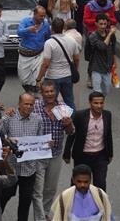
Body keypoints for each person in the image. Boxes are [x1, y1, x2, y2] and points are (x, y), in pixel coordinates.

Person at [33, 80, 75, 216]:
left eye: (52, 91)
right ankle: (39, 217)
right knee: (38, 189)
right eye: (47, 91)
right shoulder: (35, 107)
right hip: (38, 154)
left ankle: (45, 212)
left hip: (55, 154)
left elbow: (70, 131)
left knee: (50, 188)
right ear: (42, 93)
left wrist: (68, 124)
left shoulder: (63, 108)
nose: (50, 94)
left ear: (56, 92)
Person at [0, 93, 44, 221]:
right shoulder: (8, 118)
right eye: (26, 104)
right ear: (19, 104)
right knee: (4, 198)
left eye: (31, 104)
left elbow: (39, 141)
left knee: (25, 202)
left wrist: (45, 144)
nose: (29, 107)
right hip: (11, 168)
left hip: (29, 169)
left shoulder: (38, 119)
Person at [63, 91, 113, 192]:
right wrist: (67, 153)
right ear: (90, 103)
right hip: (82, 156)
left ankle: (100, 207)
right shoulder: (80, 116)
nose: (99, 106)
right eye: (96, 103)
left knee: (100, 185)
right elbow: (72, 134)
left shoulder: (107, 115)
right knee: (77, 185)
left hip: (100, 156)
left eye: (101, 103)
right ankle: (74, 205)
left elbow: (108, 135)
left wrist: (110, 154)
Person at [36, 18, 80, 109]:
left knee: (50, 102)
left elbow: (45, 64)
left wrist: (39, 79)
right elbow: (76, 58)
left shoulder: (49, 43)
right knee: (69, 101)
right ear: (64, 28)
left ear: (51, 29)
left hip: (52, 77)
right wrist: (75, 69)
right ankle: (71, 120)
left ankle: (52, 121)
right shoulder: (71, 40)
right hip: (67, 75)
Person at [17, 6, 51, 93]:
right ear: (34, 14)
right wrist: (28, 30)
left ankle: (35, 97)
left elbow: (48, 38)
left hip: (39, 55)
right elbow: (19, 32)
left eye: (44, 16)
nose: (42, 18)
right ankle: (29, 93)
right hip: (24, 55)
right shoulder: (25, 21)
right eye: (40, 16)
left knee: (36, 79)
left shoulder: (46, 24)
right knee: (23, 79)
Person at [86, 14, 117, 96]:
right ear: (96, 24)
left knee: (106, 90)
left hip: (107, 68)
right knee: (97, 92)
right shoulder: (93, 36)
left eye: (105, 24)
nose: (103, 26)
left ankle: (99, 103)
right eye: (101, 24)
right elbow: (102, 46)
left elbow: (113, 49)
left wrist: (114, 62)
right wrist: (110, 34)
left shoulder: (111, 35)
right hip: (96, 67)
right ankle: (96, 106)